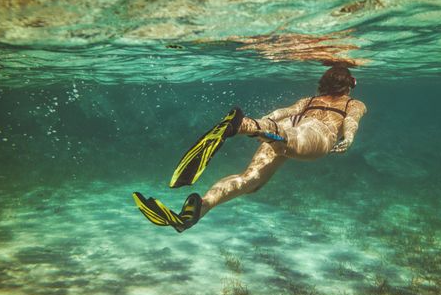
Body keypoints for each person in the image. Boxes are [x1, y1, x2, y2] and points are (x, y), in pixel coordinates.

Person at [133, 65, 367, 233]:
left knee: (250, 181)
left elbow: (281, 113)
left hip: (287, 129)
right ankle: (242, 125)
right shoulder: (353, 103)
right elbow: (351, 121)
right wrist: (348, 139)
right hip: (315, 137)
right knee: (288, 138)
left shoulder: (308, 101)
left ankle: (197, 211)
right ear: (350, 85)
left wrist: (263, 121)